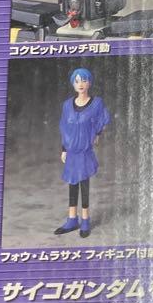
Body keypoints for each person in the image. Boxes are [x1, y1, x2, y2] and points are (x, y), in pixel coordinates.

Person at [54, 67, 110, 238]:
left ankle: (85, 219)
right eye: (77, 81)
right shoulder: (67, 105)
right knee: (72, 184)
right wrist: (64, 149)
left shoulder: (96, 103)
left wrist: (97, 134)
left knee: (84, 184)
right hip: (71, 151)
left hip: (84, 151)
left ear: (89, 83)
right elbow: (65, 128)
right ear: (73, 83)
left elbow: (103, 119)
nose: (80, 84)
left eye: (84, 80)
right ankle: (72, 219)